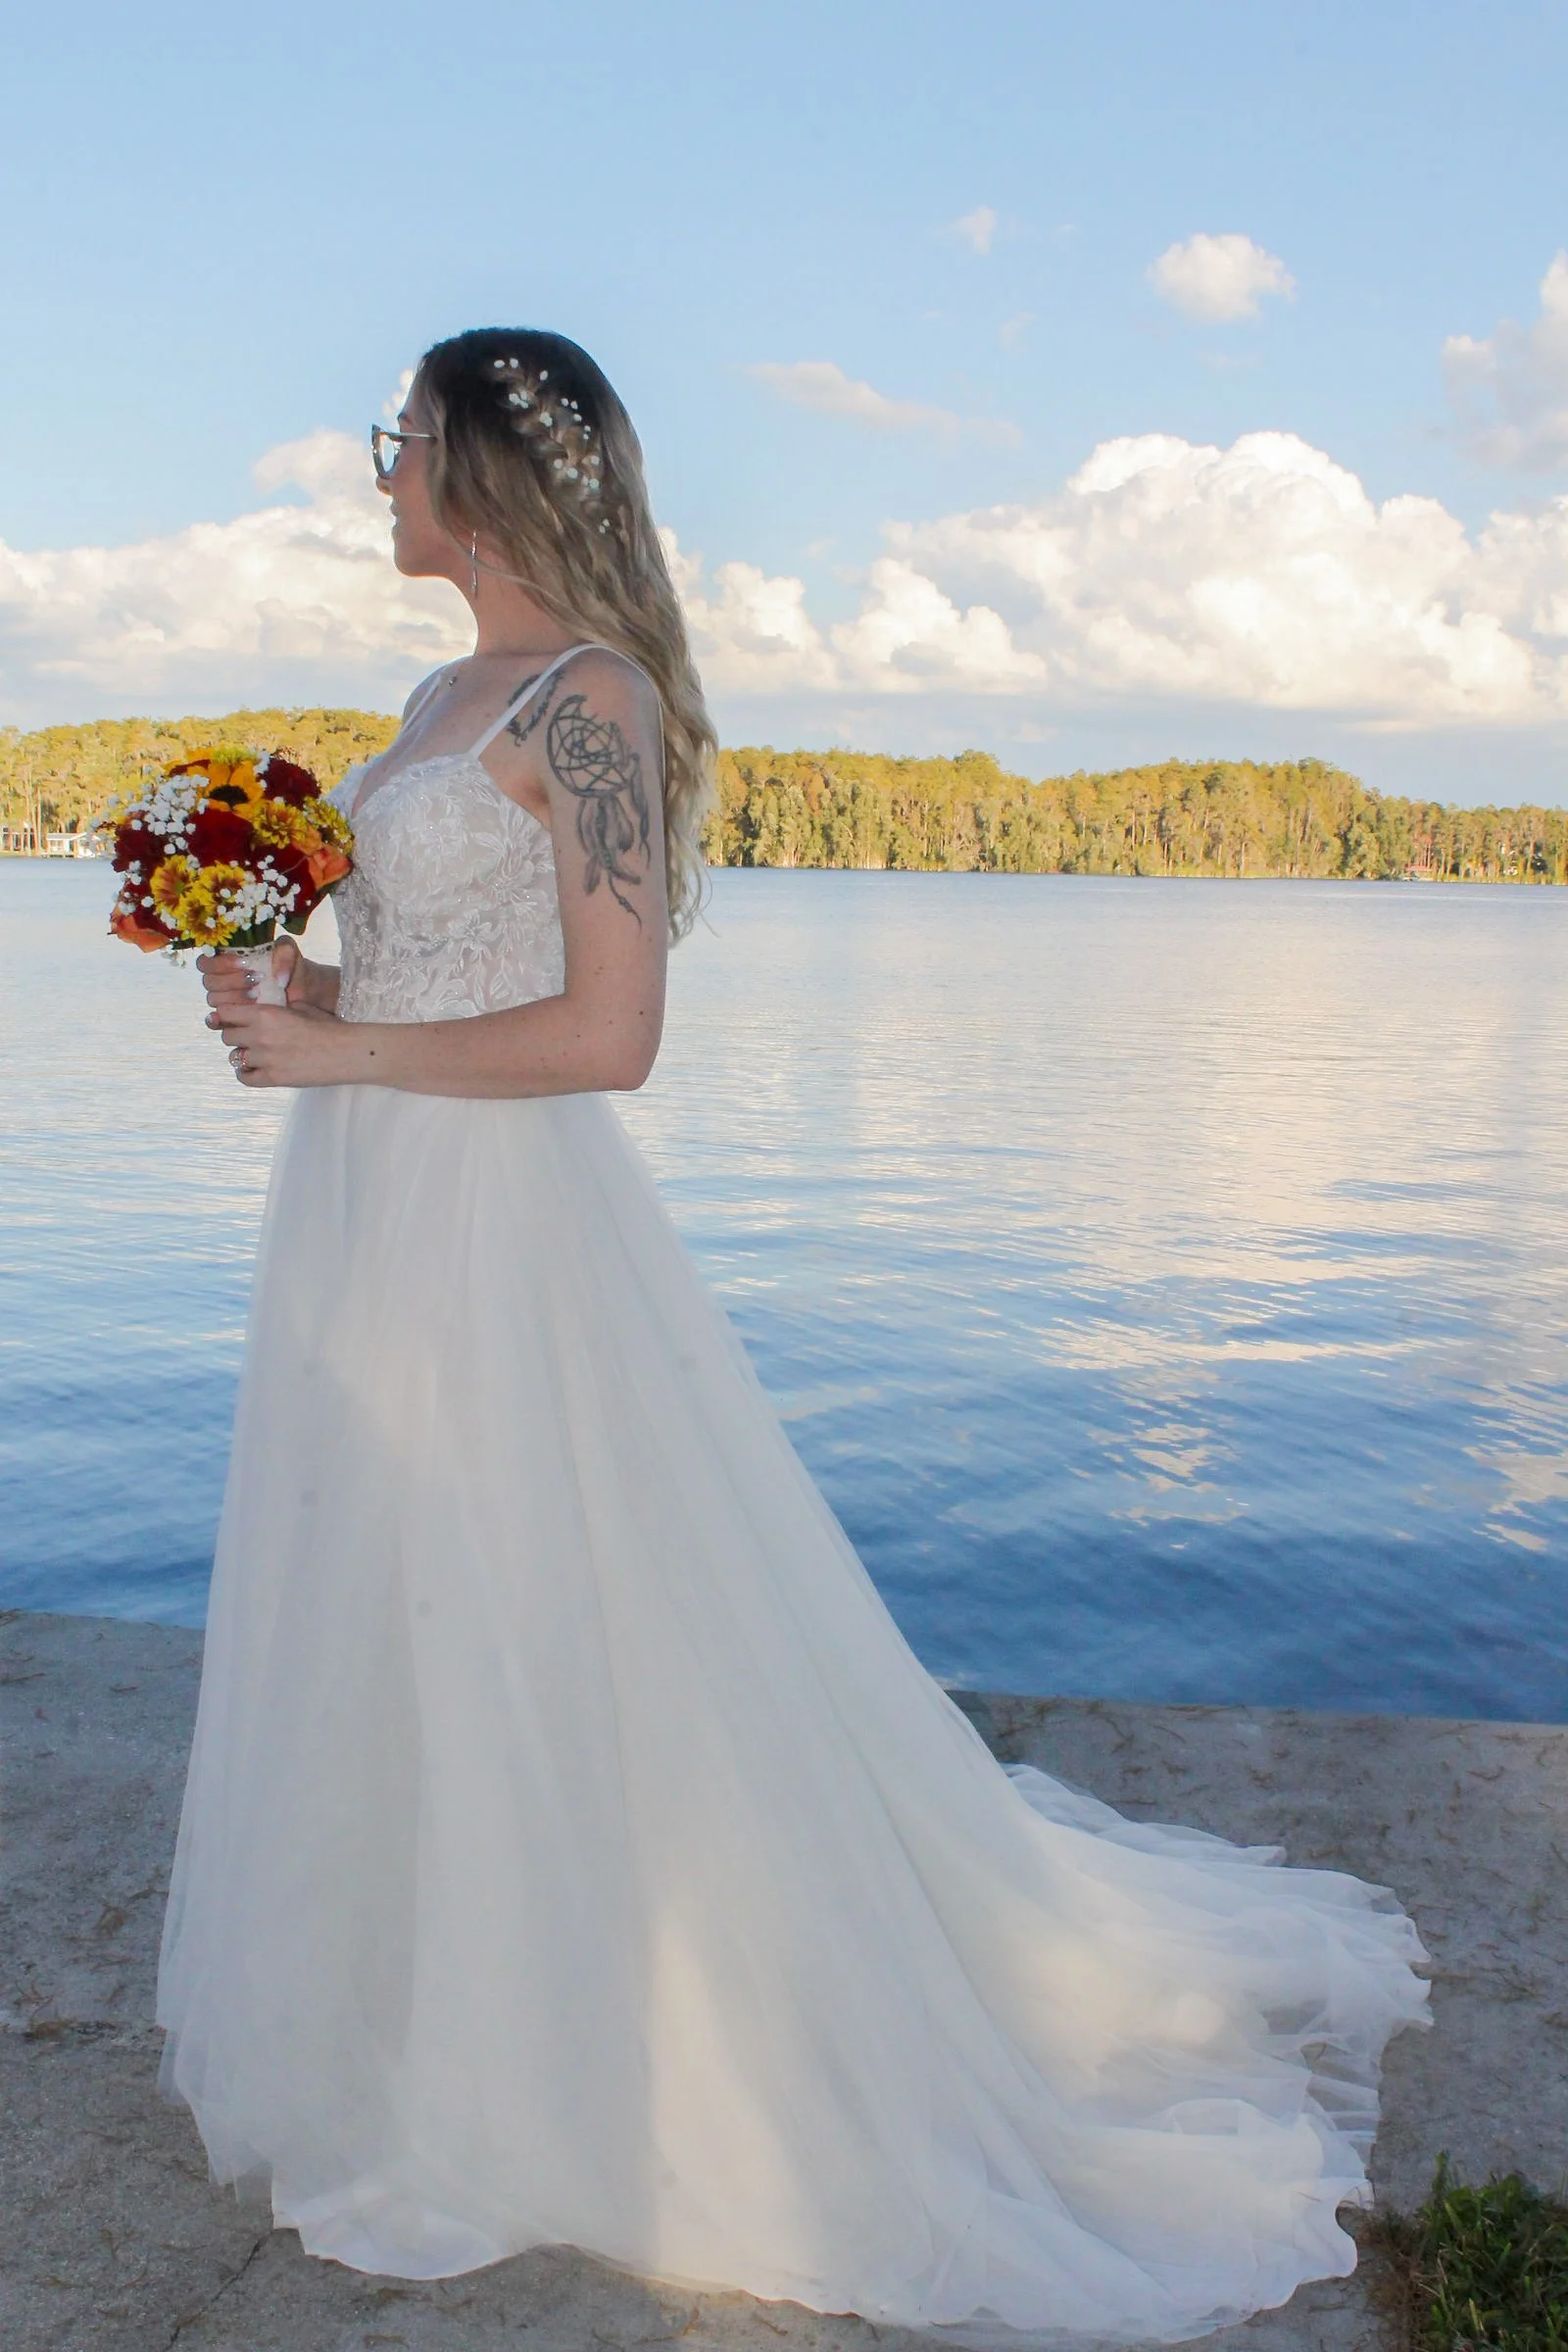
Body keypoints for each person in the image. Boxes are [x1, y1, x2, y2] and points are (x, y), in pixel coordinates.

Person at [158, 327, 1429, 2344]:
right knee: (390, 1599)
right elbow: (415, 967)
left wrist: (345, 1048)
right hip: (368, 1208)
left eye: (399, 441)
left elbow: (608, 1033)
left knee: (530, 1608)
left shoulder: (592, 705)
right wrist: (283, 975)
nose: (375, 472)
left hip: (500, 1227)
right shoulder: (433, 692)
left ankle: (576, 2060)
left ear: (480, 477)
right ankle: (419, 2005)